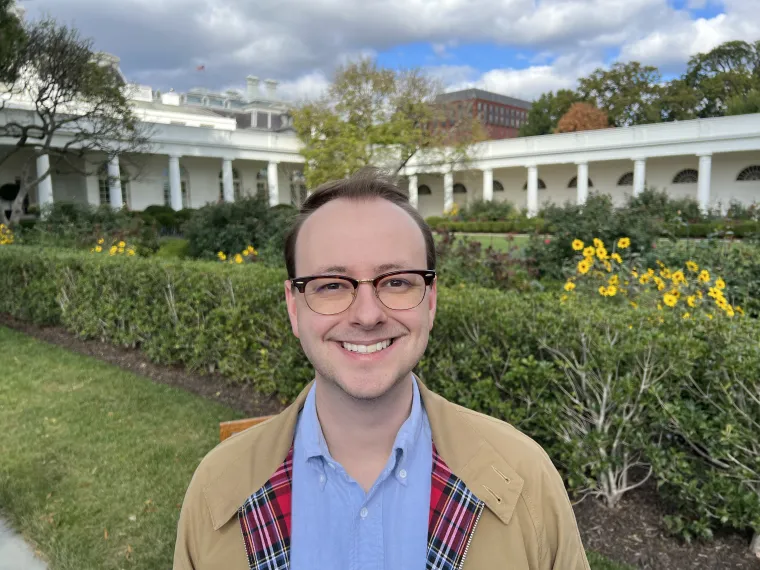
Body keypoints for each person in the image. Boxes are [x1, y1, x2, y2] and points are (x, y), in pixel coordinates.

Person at [173, 168, 591, 570]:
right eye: (332, 285)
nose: (367, 315)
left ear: (430, 301)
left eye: (396, 282)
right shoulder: (216, 488)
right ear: (293, 307)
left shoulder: (526, 480)